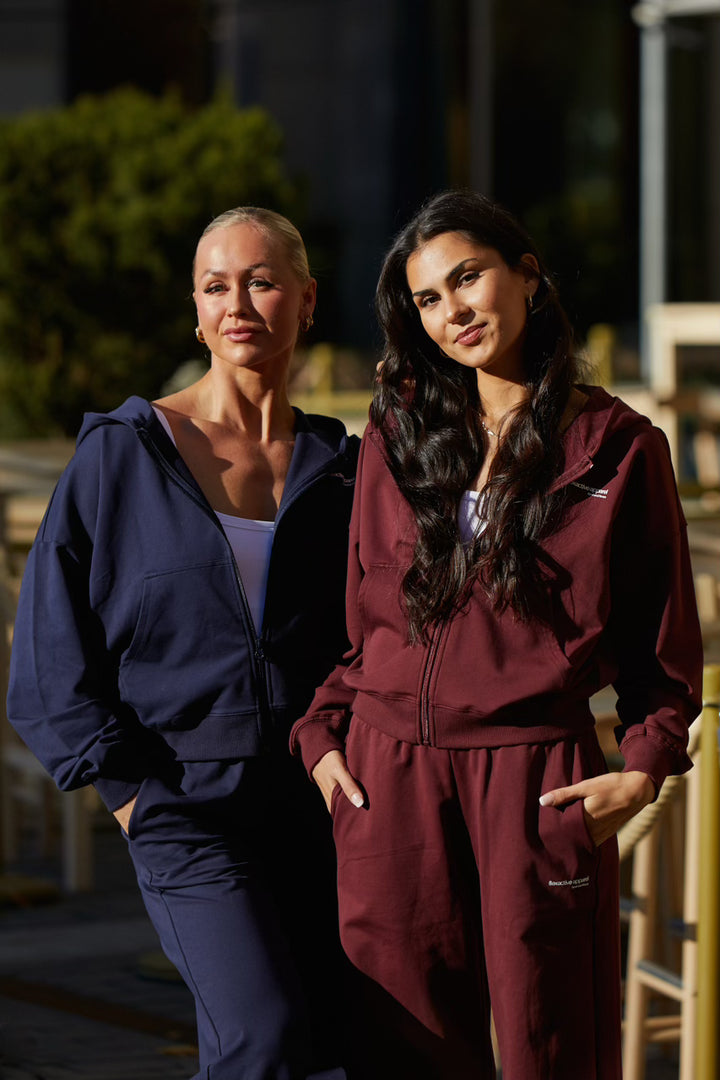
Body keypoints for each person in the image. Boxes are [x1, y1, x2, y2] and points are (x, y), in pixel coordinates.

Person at [290, 190, 703, 1080]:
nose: (453, 311)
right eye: (427, 299)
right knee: (402, 1048)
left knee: (549, 1045)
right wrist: (323, 735)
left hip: (532, 779)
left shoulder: (619, 448)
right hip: (387, 777)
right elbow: (362, 618)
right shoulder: (398, 430)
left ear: (528, 275)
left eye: (468, 277)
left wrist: (642, 768)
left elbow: (662, 646)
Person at [7, 206, 360, 1080]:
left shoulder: (343, 468)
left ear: (307, 299)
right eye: (215, 286)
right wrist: (131, 794)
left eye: (262, 281)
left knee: (327, 1047)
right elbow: (49, 654)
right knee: (261, 1034)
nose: (237, 303)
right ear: (196, 312)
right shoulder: (124, 455)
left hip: (318, 801)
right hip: (182, 802)